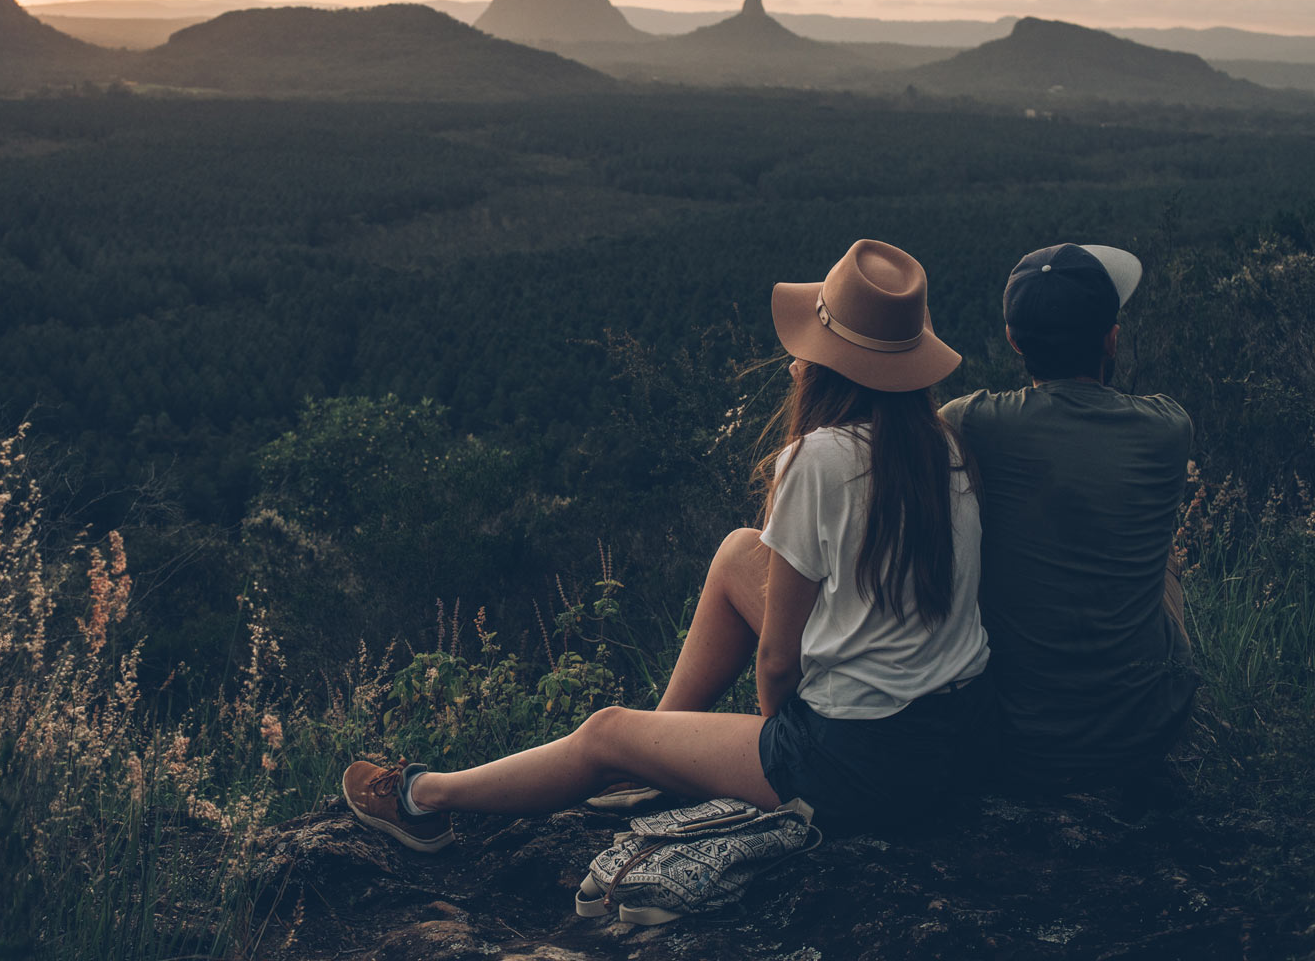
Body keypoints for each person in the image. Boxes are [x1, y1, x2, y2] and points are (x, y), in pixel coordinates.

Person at [343, 240, 991, 851]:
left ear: (829, 365)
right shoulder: (944, 444)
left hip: (856, 767)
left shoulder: (820, 458)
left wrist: (779, 741)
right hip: (947, 745)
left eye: (810, 350)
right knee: (741, 551)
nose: (796, 361)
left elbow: (776, 662)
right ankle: (653, 755)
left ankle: (422, 799)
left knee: (603, 730)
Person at [940, 244, 1198, 793]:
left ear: (1013, 340)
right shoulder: (1169, 427)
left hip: (1017, 738)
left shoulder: (968, 422)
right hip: (1145, 731)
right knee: (1165, 554)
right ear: (1111, 338)